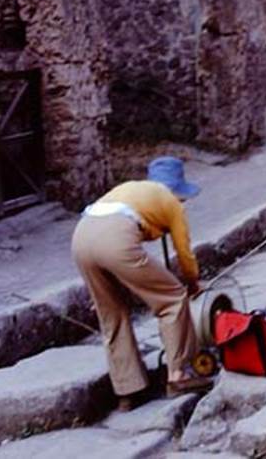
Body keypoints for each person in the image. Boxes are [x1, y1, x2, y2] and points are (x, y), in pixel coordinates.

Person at [71, 156, 211, 411]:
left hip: (81, 238)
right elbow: (184, 253)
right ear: (178, 189)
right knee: (172, 300)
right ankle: (178, 375)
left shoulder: (133, 190)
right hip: (115, 241)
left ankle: (128, 390)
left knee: (111, 313)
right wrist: (192, 283)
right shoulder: (171, 203)